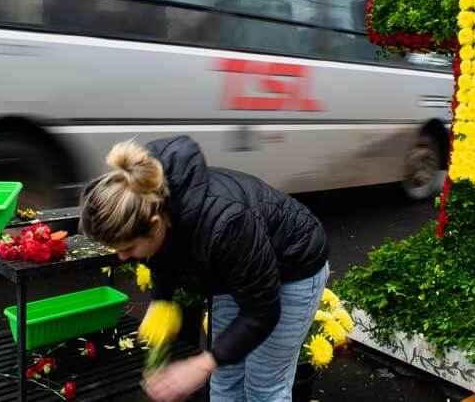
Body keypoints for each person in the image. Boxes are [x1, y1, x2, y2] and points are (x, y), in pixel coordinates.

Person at [79, 136, 330, 402]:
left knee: (264, 386)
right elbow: (163, 255)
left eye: (128, 249)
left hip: (294, 264)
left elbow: (261, 312)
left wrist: (200, 365)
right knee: (226, 376)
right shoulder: (146, 200)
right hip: (234, 270)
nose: (122, 257)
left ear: (154, 225)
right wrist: (160, 300)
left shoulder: (225, 223)